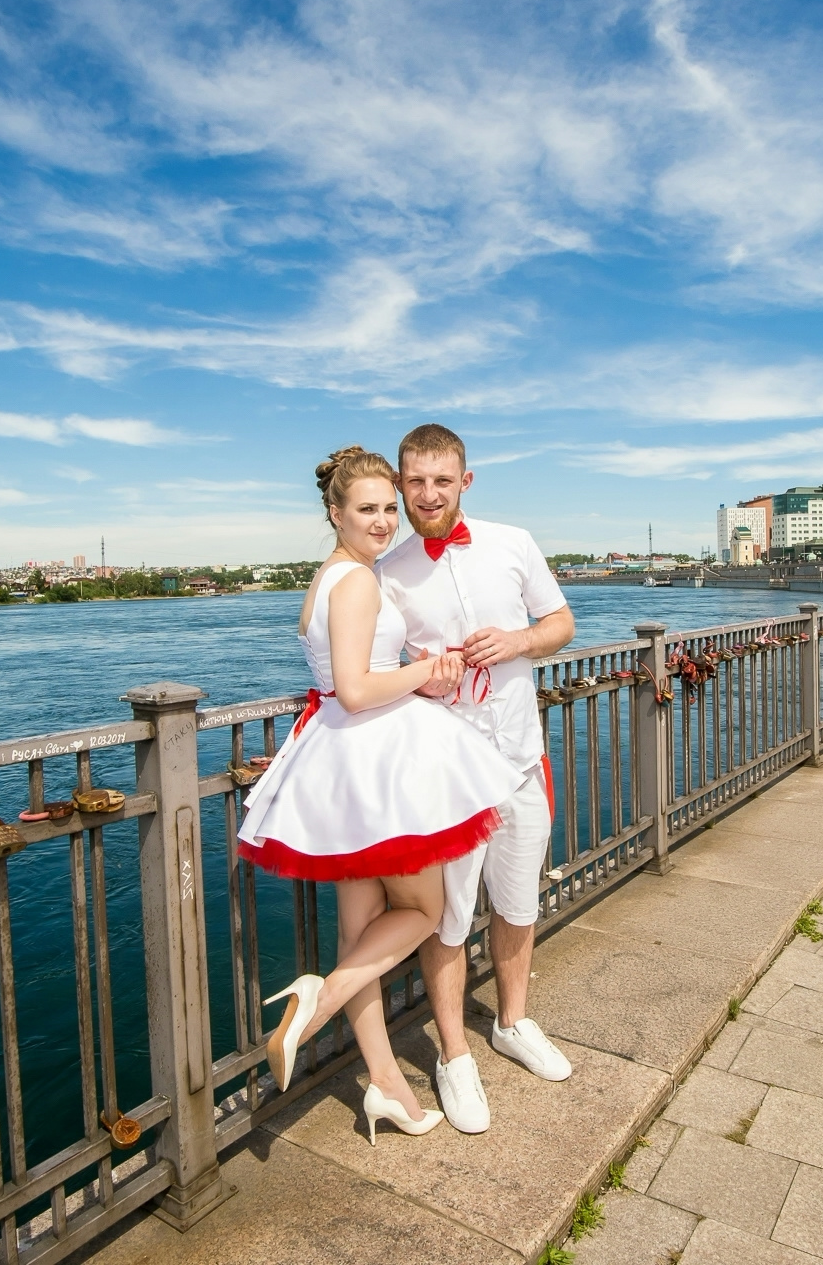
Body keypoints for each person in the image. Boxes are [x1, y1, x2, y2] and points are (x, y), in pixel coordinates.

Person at [237, 446, 520, 1145]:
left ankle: (386, 1086)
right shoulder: (360, 583)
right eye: (367, 509)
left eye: (389, 508)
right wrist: (424, 671)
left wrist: (411, 670)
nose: (384, 521)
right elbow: (359, 687)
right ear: (333, 512)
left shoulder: (327, 578)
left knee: (361, 933)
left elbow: (343, 682)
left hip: (338, 757)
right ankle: (316, 1003)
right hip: (379, 755)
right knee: (425, 909)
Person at [379, 423, 577, 1136]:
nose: (428, 494)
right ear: (401, 486)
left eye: (441, 480)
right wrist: (419, 681)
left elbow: (561, 622)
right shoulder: (388, 571)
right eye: (415, 481)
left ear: (466, 481)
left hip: (521, 761)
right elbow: (369, 676)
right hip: (447, 775)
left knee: (519, 901)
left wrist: (519, 640)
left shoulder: (513, 542)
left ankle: (513, 1024)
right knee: (447, 916)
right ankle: (454, 1055)